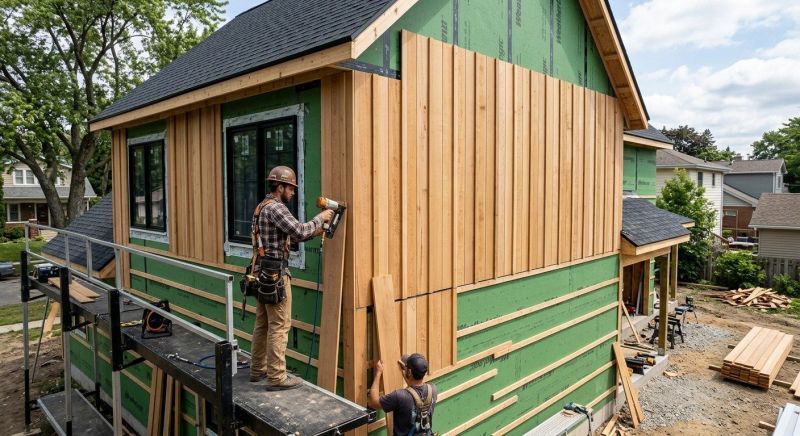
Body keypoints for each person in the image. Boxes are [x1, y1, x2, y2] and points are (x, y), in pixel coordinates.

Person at [249, 165, 333, 391]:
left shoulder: (262, 207)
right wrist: (321, 218)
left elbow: (292, 235)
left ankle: (258, 369)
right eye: (291, 188)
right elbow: (300, 231)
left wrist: (315, 229)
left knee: (263, 323)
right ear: (280, 186)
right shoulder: (277, 208)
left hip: (261, 273)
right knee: (279, 325)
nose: (294, 192)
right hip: (275, 275)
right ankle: (276, 377)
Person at [368, 353, 437, 435]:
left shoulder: (400, 396)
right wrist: (407, 373)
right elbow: (415, 392)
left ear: (410, 371)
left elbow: (373, 403)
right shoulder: (433, 389)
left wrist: (378, 373)